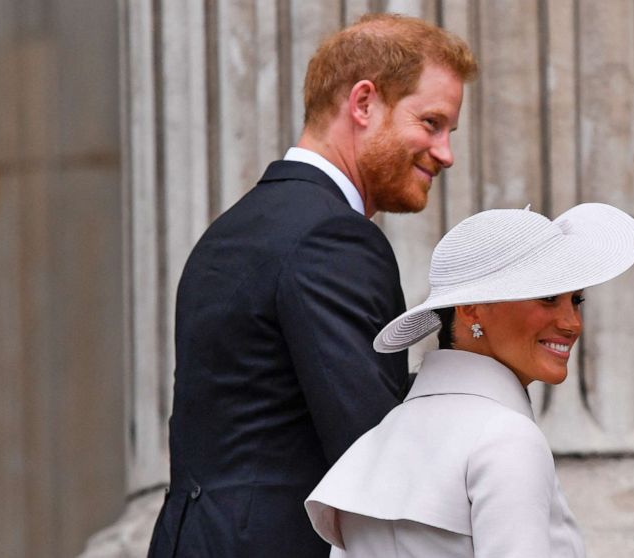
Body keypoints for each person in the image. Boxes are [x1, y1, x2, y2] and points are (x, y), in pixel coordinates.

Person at [146, 13, 478, 558]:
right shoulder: (331, 236)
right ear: (364, 103)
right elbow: (372, 447)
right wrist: (481, 381)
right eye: (431, 122)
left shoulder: (231, 229)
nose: (445, 153)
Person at [305, 203, 634, 557]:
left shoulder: (379, 440)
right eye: (547, 297)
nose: (572, 323)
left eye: (576, 300)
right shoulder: (506, 437)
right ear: (471, 309)